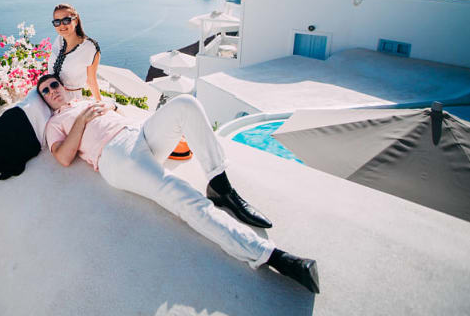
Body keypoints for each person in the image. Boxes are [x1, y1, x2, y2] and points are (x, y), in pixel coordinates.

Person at [37, 73, 320, 294]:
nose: (52, 91)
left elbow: (113, 110)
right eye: (46, 92)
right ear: (47, 101)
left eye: (54, 85)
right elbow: (63, 157)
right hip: (115, 155)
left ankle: (220, 185)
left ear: (63, 87)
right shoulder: (55, 123)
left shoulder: (86, 101)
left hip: (138, 133)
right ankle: (271, 256)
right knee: (183, 196)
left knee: (186, 104)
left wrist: (102, 107)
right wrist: (82, 121)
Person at [47, 3, 102, 101]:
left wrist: (99, 102)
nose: (62, 25)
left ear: (75, 21)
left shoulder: (90, 47)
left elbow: (91, 81)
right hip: (49, 96)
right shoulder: (59, 39)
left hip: (70, 101)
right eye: (57, 22)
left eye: (66, 20)